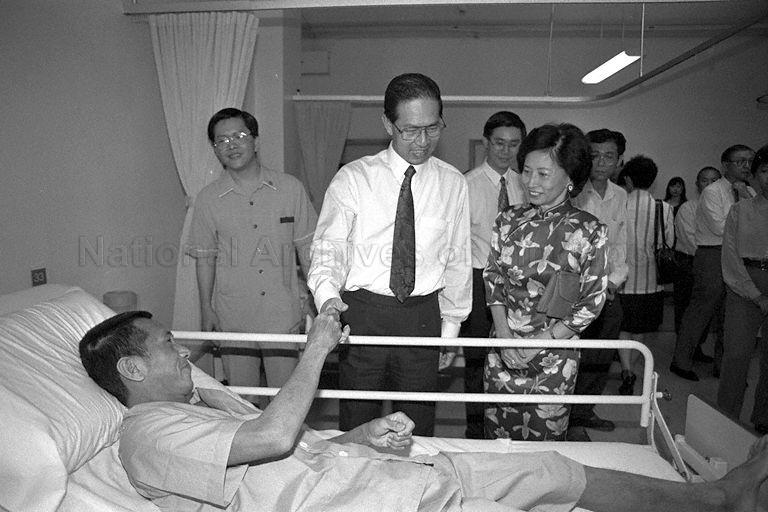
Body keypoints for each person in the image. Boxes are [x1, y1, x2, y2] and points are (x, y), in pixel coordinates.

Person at [79, 311, 768, 512]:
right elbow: (274, 435)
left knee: (558, 469)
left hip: (379, 477)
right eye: (169, 348)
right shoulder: (143, 436)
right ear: (133, 369)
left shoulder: (203, 402)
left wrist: (361, 432)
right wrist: (317, 350)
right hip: (369, 507)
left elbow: (289, 446)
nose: (184, 353)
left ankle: (714, 499)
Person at [307, 73, 471, 436]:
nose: (423, 141)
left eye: (433, 128)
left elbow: (457, 259)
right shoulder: (353, 178)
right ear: (387, 124)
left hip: (423, 316)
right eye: (410, 130)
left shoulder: (453, 183)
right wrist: (329, 300)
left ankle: (415, 490)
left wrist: (452, 328)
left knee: (417, 425)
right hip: (363, 313)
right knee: (358, 421)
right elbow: (328, 250)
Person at [483, 123, 608, 441]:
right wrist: (504, 335)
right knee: (498, 437)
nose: (531, 183)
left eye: (543, 174)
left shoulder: (588, 230)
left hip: (555, 355)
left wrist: (541, 343)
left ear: (571, 178)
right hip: (503, 348)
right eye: (526, 171)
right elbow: (493, 277)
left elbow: (591, 302)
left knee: (543, 443)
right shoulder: (508, 220)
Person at [187, 108, 317, 392]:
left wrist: (317, 299)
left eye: (239, 136)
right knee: (242, 398)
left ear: (256, 141)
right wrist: (206, 309)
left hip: (281, 311)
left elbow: (308, 248)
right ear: (215, 149)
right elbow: (205, 258)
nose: (231, 145)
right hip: (234, 314)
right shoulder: (208, 200)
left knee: (286, 397)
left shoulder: (290, 189)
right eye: (221, 141)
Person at [461, 111, 528, 439]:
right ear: (487, 142)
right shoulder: (466, 184)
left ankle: (508, 424)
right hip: (477, 280)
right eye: (499, 143)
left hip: (515, 283)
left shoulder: (526, 185)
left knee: (512, 353)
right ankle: (475, 427)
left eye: (514, 144)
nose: (506, 151)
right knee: (475, 358)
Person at [671, 144, 756, 381]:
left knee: (730, 314)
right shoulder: (713, 192)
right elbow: (720, 227)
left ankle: (722, 365)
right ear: (726, 165)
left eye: (749, 161)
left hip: (739, 256)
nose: (746, 166)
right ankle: (681, 361)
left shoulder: (750, 191)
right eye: (740, 161)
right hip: (713, 254)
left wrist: (747, 198)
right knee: (701, 310)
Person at [570, 128, 629, 433]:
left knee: (601, 356)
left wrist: (614, 282)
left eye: (609, 156)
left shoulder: (621, 195)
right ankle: (566, 419)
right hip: (577, 291)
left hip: (610, 290)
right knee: (574, 356)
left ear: (619, 160)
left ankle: (585, 412)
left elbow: (620, 245)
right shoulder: (573, 192)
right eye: (594, 155)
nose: (601, 162)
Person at [717, 144, 768, 434]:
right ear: (755, 176)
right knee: (736, 356)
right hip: (744, 287)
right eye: (764, 171)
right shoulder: (740, 210)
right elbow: (731, 258)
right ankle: (725, 421)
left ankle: (763, 419)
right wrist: (756, 294)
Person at [617, 155, 674, 395]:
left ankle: (626, 369)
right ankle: (635, 366)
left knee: (622, 327)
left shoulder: (619, 204)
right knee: (640, 329)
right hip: (651, 282)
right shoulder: (664, 208)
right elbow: (668, 242)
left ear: (628, 179)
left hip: (621, 281)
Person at [672, 167, 721, 342]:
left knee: (707, 309)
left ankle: (697, 347)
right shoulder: (688, 208)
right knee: (687, 309)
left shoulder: (725, 208)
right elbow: (690, 239)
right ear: (697, 184)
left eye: (714, 181)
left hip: (714, 264)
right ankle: (683, 351)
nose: (709, 185)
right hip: (689, 263)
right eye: (705, 181)